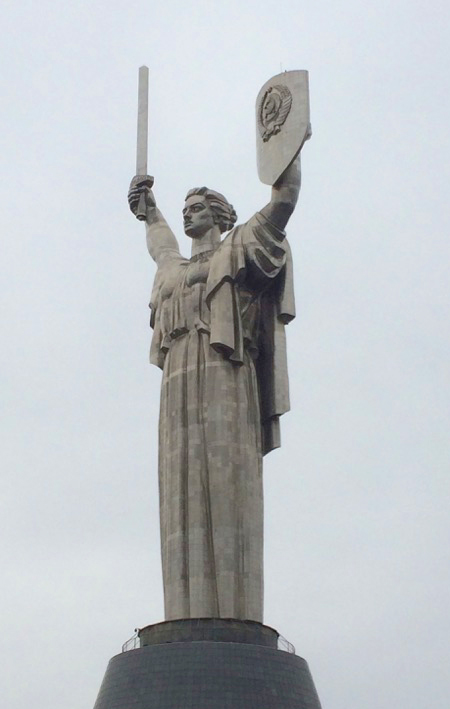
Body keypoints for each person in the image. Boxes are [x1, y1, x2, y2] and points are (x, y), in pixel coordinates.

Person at [128, 157, 301, 622]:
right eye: (184, 208)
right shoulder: (173, 270)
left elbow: (283, 202)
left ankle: (234, 615)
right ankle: (184, 616)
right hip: (178, 383)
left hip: (226, 371)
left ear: (219, 215)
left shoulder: (239, 249)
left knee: (227, 483)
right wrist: (150, 211)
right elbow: (160, 246)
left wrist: (286, 146)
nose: (188, 214)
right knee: (179, 487)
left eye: (197, 206)